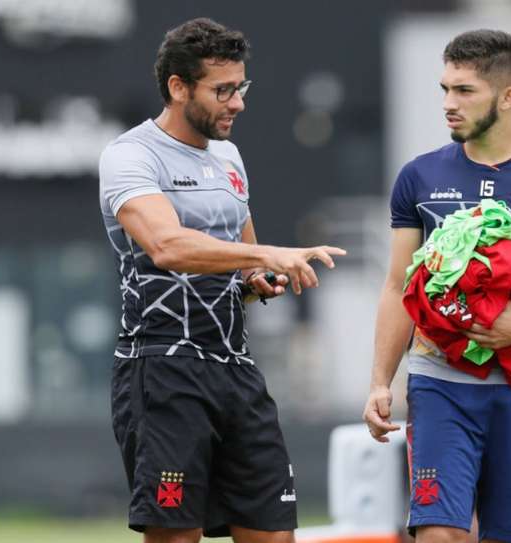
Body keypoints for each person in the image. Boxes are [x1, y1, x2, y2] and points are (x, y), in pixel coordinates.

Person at [99, 18, 345, 543]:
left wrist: (260, 277)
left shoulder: (229, 156)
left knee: (275, 533)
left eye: (242, 87)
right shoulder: (130, 155)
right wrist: (268, 252)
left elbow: (243, 259)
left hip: (236, 370)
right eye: (223, 90)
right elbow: (167, 247)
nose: (238, 103)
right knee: (176, 535)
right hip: (162, 369)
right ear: (178, 87)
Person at [362, 30, 511, 543]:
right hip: (438, 385)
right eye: (445, 89)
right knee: (438, 533)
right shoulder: (418, 177)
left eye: (464, 91)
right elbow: (396, 286)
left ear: (507, 96)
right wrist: (381, 380)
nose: (449, 103)